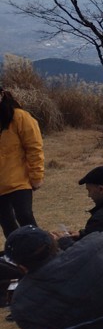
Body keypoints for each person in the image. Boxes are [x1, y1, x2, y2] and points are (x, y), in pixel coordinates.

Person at [0, 87, 44, 240]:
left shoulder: (19, 117)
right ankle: (17, 258)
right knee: (7, 224)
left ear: (2, 95)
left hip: (19, 180)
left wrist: (36, 176)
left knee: (25, 217)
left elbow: (34, 147)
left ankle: (43, 252)